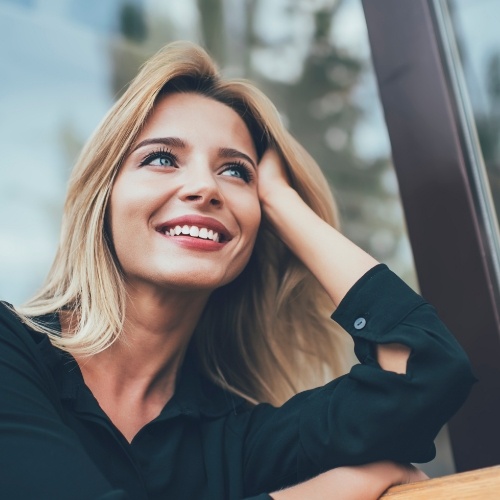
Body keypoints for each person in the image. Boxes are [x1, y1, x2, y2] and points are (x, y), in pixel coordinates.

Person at [0, 41, 474, 500]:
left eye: (235, 172)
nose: (205, 187)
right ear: (102, 199)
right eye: (162, 158)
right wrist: (339, 490)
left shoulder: (239, 440)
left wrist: (283, 202)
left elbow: (425, 374)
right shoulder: (12, 353)